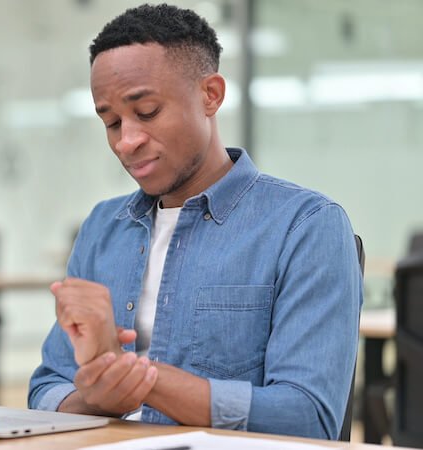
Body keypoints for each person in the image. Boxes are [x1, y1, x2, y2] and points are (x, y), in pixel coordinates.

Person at [28, 3, 362, 440]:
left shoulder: (306, 227)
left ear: (211, 95)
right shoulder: (103, 227)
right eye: (111, 122)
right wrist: (99, 397)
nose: (126, 142)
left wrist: (140, 378)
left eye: (147, 111)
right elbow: (47, 388)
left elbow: (308, 418)